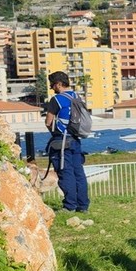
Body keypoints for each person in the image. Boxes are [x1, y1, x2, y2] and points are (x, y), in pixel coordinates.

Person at [44, 71, 90, 212]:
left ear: (58, 84)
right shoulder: (77, 97)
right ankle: (83, 205)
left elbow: (48, 122)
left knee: (66, 173)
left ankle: (70, 205)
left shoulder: (57, 99)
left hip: (62, 141)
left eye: (52, 85)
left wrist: (54, 132)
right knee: (78, 173)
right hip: (76, 139)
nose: (52, 88)